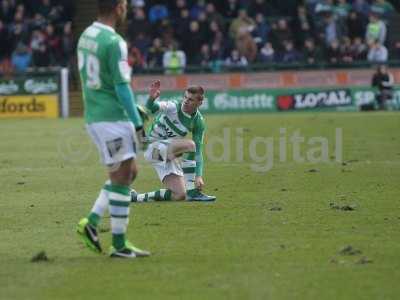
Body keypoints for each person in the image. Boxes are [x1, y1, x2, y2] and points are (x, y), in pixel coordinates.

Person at [76, 0, 149, 259]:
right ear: (119, 7)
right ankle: (118, 244)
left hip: (96, 115)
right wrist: (138, 124)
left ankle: (92, 223)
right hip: (111, 121)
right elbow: (121, 87)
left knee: (129, 173)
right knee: (121, 177)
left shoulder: (87, 35)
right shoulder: (114, 41)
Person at [131, 80, 216, 203]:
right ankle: (193, 192)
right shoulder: (173, 107)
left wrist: (198, 176)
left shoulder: (198, 122)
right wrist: (151, 99)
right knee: (189, 145)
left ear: (200, 102)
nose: (186, 101)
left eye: (191, 99)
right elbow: (151, 108)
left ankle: (135, 198)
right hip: (152, 150)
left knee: (179, 194)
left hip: (166, 153)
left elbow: (198, 151)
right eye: (185, 97)